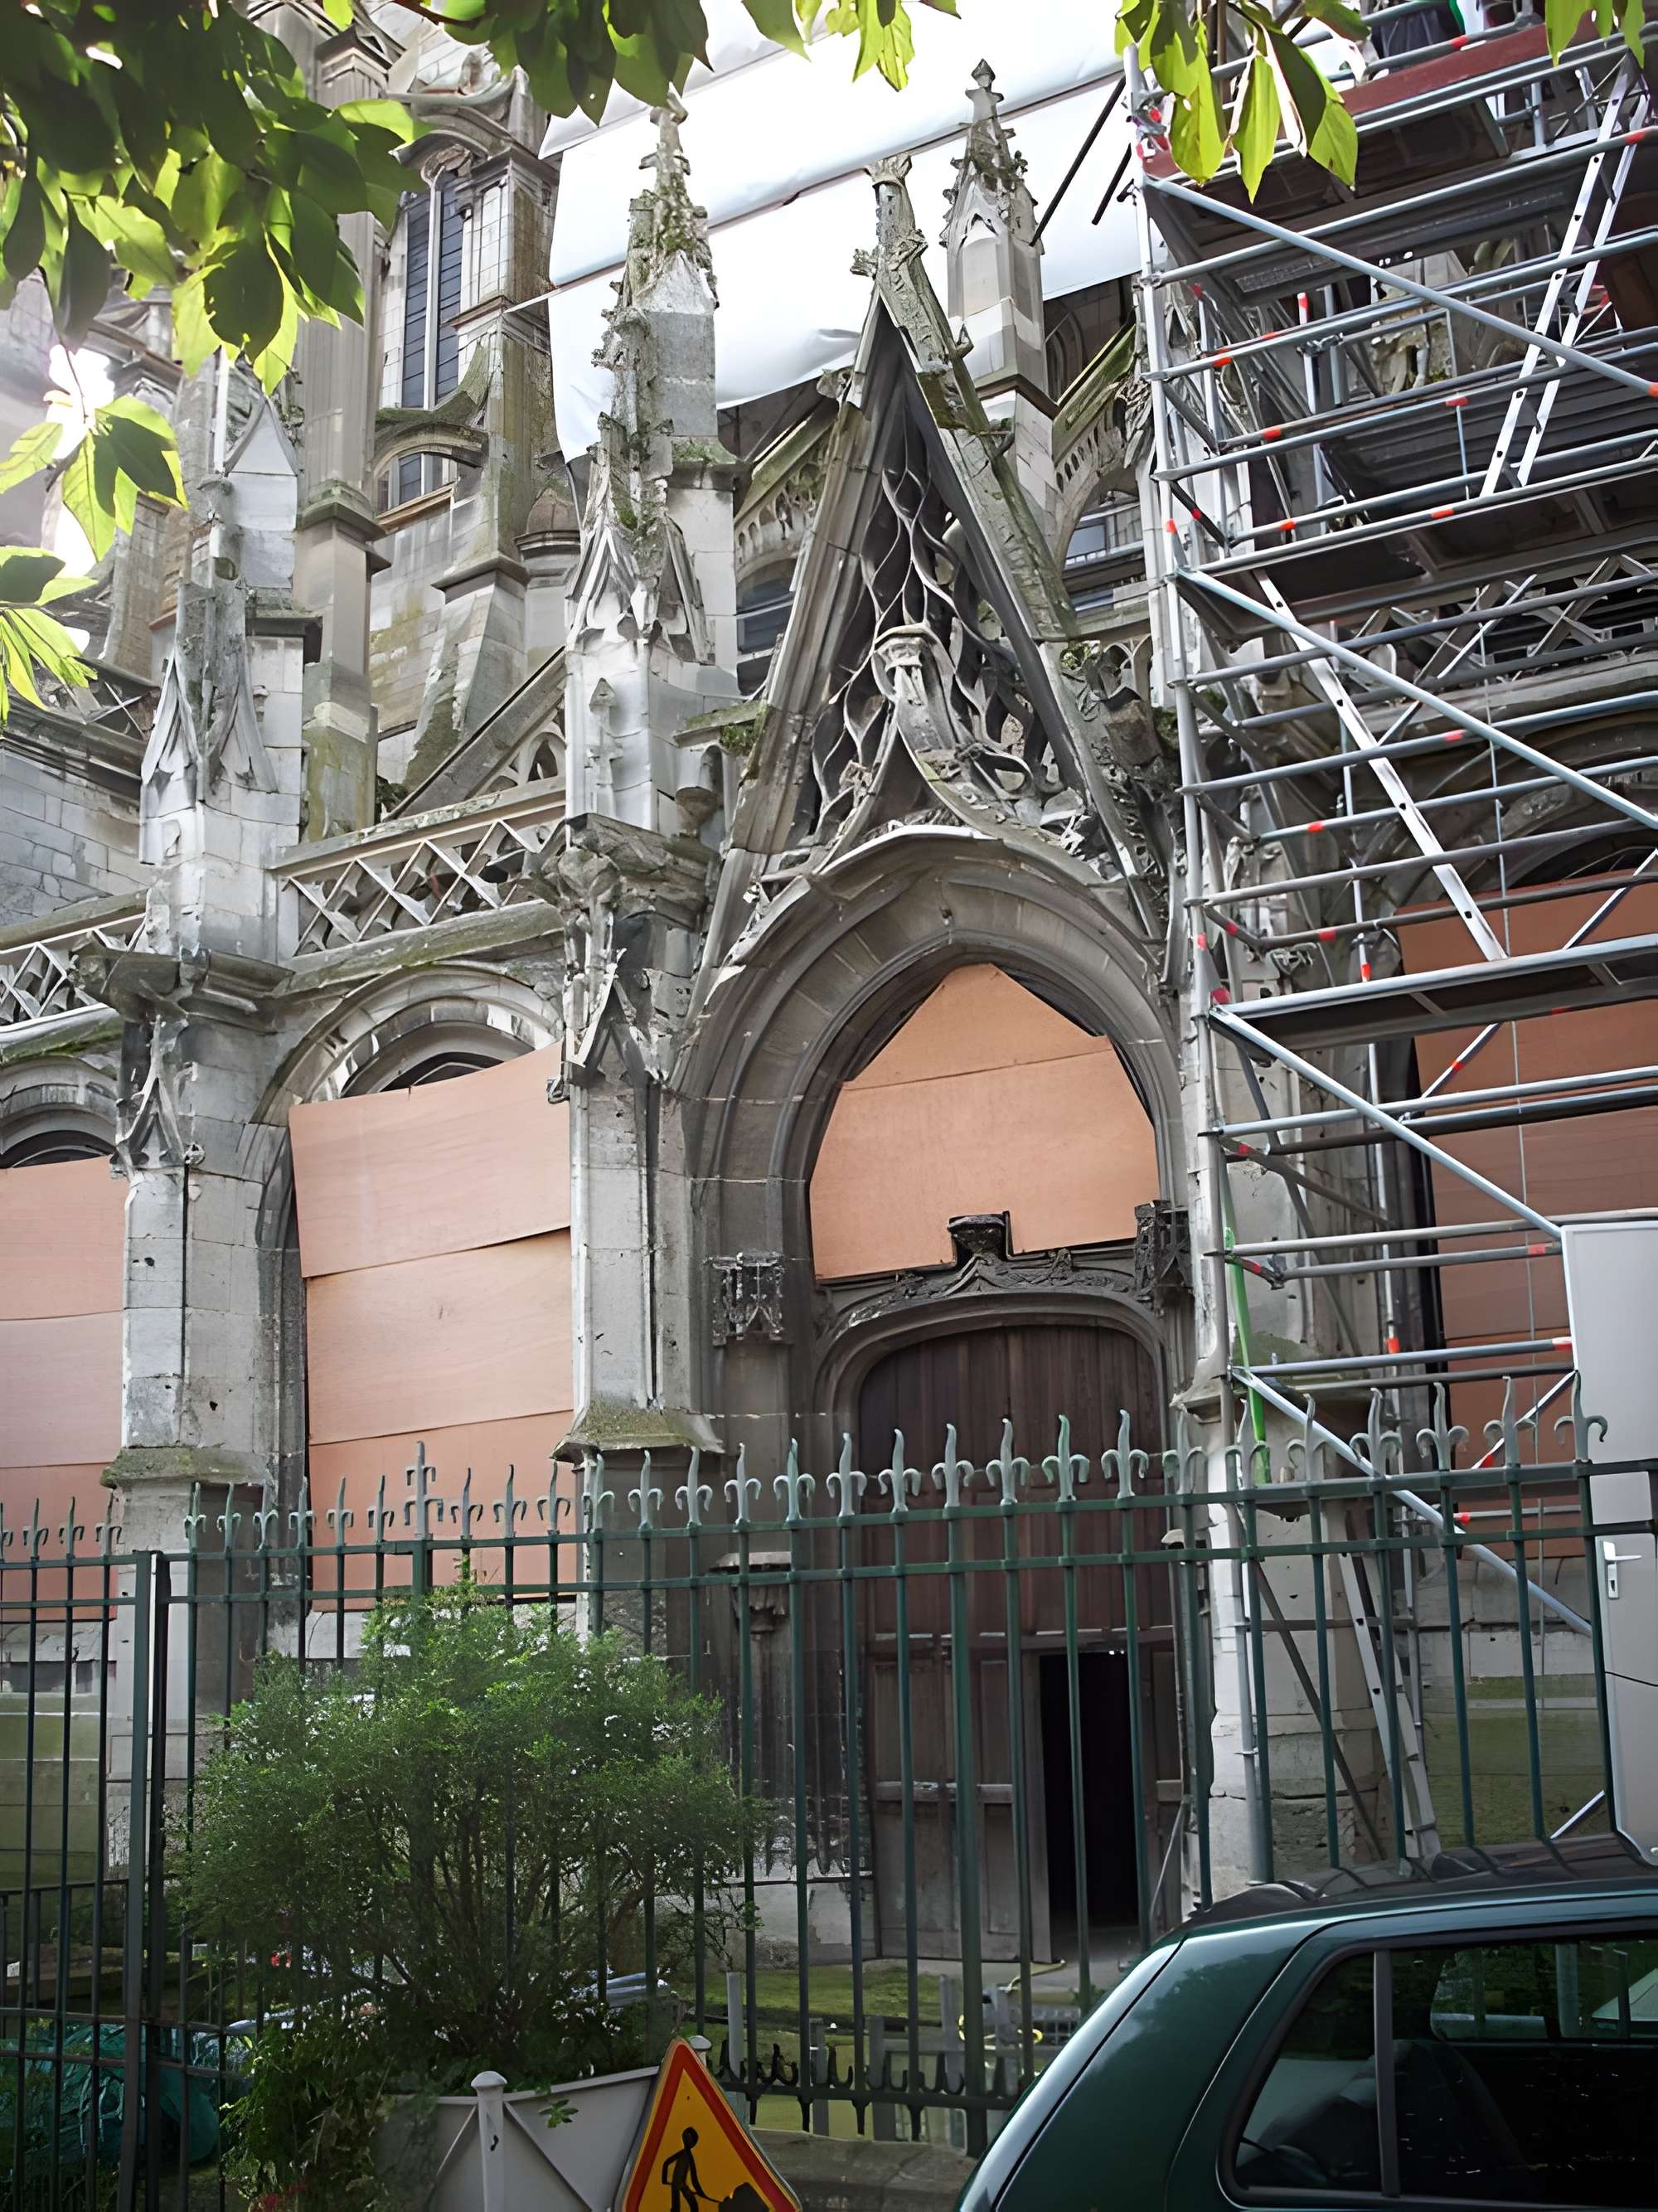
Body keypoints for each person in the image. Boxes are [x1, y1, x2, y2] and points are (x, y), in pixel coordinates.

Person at [662, 2124, 710, 2210]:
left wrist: (701, 2193)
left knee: (693, 2206)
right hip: (678, 2185)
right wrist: (664, 2180)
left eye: (689, 2138)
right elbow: (666, 2163)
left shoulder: (688, 2156)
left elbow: (694, 2178)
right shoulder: (685, 2155)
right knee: (687, 2206)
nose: (687, 2140)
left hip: (680, 2185)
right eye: (686, 2137)